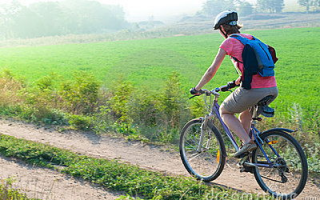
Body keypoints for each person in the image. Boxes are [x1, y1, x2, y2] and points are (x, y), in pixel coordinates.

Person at [190, 10, 278, 158]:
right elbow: (254, 66)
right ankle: (249, 157)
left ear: (223, 28)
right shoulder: (250, 38)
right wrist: (237, 82)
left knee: (225, 111)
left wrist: (197, 88)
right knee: (244, 116)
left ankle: (247, 142)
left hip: (253, 90)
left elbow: (212, 70)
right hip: (272, 88)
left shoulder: (229, 42)